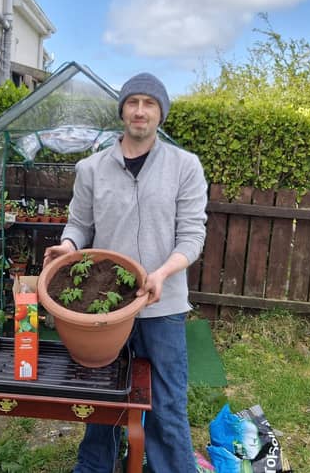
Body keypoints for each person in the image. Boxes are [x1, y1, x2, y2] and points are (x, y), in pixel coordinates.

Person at [43, 72, 208, 473]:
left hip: (161, 302)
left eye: (149, 104)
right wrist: (66, 248)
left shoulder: (185, 166)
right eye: (132, 103)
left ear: (160, 113)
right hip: (102, 305)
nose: (139, 111)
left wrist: (162, 273)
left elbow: (191, 236)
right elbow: (79, 225)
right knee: (104, 394)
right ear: (122, 112)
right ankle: (97, 466)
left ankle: (167, 468)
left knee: (166, 399)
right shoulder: (93, 168)